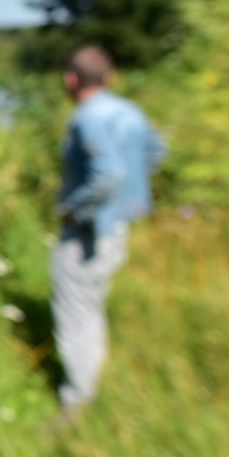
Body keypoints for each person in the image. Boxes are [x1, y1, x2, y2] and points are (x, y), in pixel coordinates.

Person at [51, 45, 165, 418]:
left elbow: (109, 174)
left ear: (71, 79)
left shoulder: (87, 118)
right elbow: (156, 153)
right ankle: (90, 390)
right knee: (92, 306)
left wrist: (74, 210)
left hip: (88, 233)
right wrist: (130, 199)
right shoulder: (130, 111)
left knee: (75, 314)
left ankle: (76, 406)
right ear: (109, 77)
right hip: (118, 229)